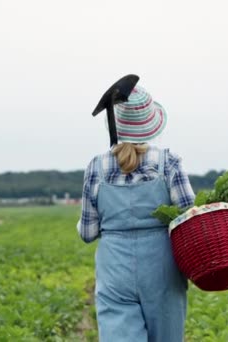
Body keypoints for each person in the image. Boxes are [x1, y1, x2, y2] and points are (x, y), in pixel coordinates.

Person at [77, 85, 195, 341]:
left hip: (114, 267)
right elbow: (189, 219)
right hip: (162, 266)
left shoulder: (96, 166)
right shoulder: (169, 162)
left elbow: (87, 233)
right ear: (151, 126)